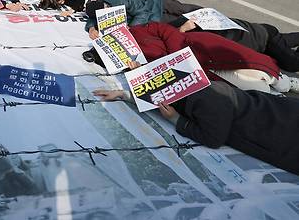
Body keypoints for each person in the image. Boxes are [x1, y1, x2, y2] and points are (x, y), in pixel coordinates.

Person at [93, 79, 299, 175]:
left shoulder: (207, 101)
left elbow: (213, 139)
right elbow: (157, 96)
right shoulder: (194, 87)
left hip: (278, 131)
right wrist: (123, 94)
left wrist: (175, 119)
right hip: (280, 108)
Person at [126, 22, 297, 93]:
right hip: (194, 67)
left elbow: (165, 30)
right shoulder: (128, 59)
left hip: (197, 47)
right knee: (259, 90)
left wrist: (176, 56)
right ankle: (276, 93)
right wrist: (142, 69)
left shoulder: (136, 30)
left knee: (264, 72)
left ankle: (286, 81)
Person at [176, 18, 299, 73]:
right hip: (263, 39)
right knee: (284, 42)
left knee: (292, 64)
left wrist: (182, 29)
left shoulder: (201, 33)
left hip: (263, 37)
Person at [83, 0, 203, 39]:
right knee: (178, 22)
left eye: (106, 9)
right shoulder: (98, 9)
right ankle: (203, 28)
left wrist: (131, 28)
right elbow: (92, 19)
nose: (106, 11)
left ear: (105, 5)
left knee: (183, 9)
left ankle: (206, 12)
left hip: (154, 1)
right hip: (152, 18)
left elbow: (142, 13)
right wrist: (91, 28)